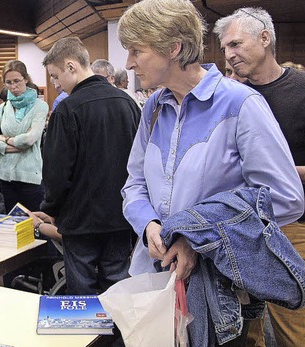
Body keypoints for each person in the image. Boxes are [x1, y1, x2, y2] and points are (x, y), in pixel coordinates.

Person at [118, 0, 303, 345]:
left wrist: (198, 237)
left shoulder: (240, 104)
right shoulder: (154, 110)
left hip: (221, 296)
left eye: (135, 51)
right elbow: (134, 185)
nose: (129, 63)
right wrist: (149, 226)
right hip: (156, 283)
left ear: (173, 48)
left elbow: (285, 198)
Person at [214, 7, 305, 345]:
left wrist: (284, 172)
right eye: (224, 48)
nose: (229, 55)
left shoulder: (300, 90)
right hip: (241, 229)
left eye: (235, 44)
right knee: (244, 329)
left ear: (265, 38)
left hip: (291, 228)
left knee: (293, 329)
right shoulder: (230, 97)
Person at [41, 36, 141, 295]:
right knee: (118, 287)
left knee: (82, 293)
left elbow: (57, 171)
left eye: (55, 76)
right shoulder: (128, 103)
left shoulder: (67, 109)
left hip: (80, 220)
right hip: (121, 215)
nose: (55, 84)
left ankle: (89, 337)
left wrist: (50, 208)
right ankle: (117, 336)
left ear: (72, 66)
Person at [0, 60, 48, 212]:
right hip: (5, 177)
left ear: (26, 79)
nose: (13, 86)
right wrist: (15, 144)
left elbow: (31, 139)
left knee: (35, 225)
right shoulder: (3, 108)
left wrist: (5, 139)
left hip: (31, 177)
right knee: (11, 225)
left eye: (17, 81)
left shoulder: (40, 106)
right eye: (8, 82)